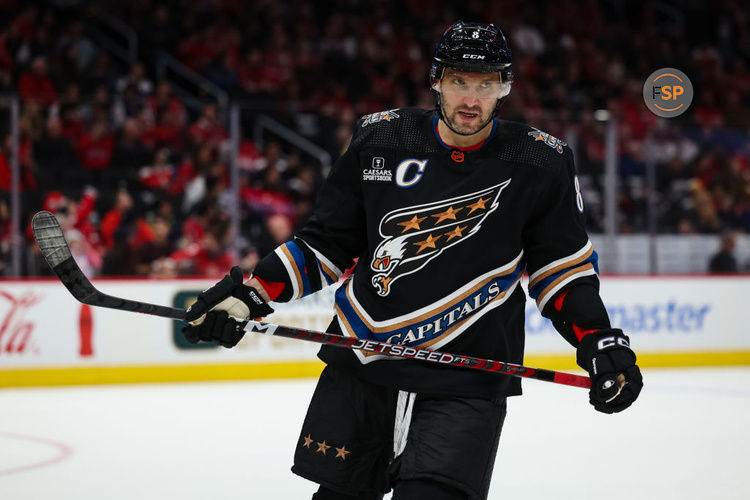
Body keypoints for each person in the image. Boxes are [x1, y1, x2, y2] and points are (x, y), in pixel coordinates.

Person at [182, 21, 643, 500]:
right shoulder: (381, 139)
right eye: (460, 81)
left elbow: (561, 273)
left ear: (504, 87)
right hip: (363, 366)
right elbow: (326, 244)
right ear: (437, 80)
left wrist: (598, 340)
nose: (471, 98)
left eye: (486, 84)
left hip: (467, 375)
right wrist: (251, 294)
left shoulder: (540, 161)